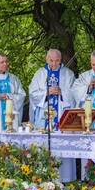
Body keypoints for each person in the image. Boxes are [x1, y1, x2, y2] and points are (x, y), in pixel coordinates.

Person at [29, 49, 76, 182]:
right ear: (46, 59)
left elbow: (74, 94)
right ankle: (42, 179)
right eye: (51, 60)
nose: (54, 64)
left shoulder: (68, 74)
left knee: (63, 148)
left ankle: (65, 180)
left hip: (62, 115)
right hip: (44, 116)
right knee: (43, 147)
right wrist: (46, 92)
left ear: (61, 60)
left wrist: (62, 92)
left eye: (57, 61)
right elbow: (32, 93)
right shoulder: (39, 74)